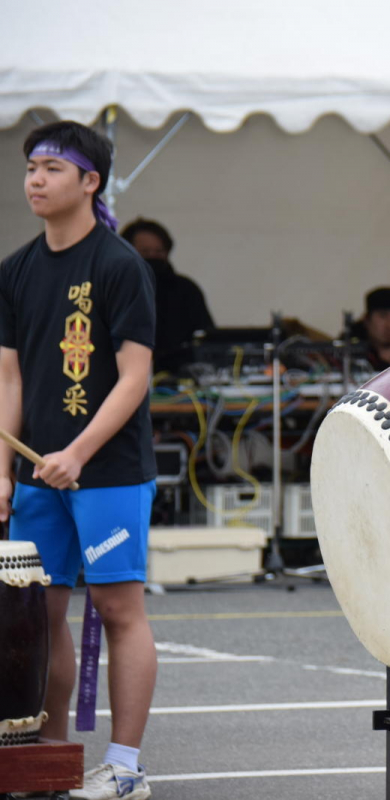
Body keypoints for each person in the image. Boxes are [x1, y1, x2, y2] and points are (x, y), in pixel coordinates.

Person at [0, 121, 158, 799]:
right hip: (37, 473)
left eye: (52, 168)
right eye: (31, 166)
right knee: (40, 614)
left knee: (120, 608)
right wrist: (0, 469)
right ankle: (51, 755)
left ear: (90, 183)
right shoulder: (15, 270)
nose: (36, 179)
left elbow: (134, 376)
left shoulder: (120, 265)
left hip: (109, 473)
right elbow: (9, 379)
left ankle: (125, 766)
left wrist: (78, 452)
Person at [119, 218, 214, 373]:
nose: (153, 257)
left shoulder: (186, 290)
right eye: (145, 252)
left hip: (178, 380)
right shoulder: (113, 290)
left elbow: (205, 339)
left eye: (159, 251)